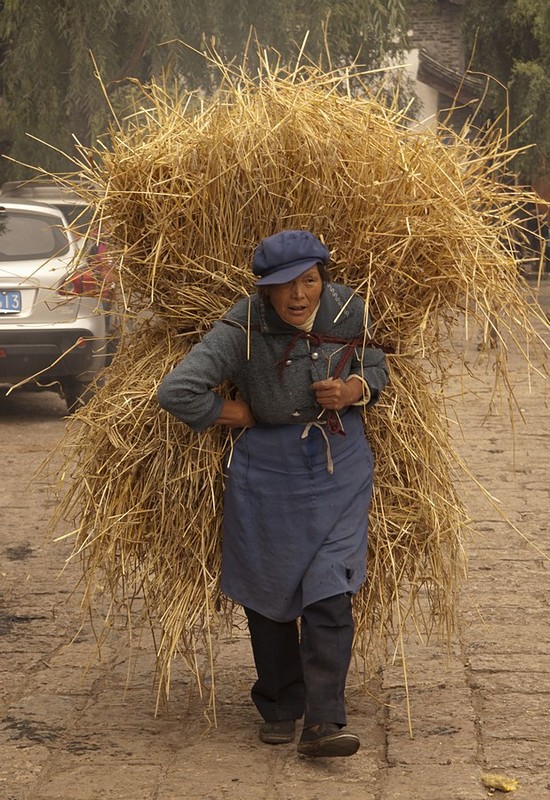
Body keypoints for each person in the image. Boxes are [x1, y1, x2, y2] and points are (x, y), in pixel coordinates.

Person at [157, 230, 389, 758]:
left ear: (323, 279)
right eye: (284, 285)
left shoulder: (349, 308)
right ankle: (282, 703)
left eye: (309, 280)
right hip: (267, 476)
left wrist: (354, 390)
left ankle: (325, 722)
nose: (299, 295)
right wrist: (244, 413)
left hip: (338, 467)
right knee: (270, 592)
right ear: (265, 291)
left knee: (332, 588)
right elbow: (177, 391)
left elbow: (377, 366)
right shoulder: (241, 327)